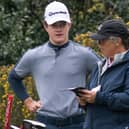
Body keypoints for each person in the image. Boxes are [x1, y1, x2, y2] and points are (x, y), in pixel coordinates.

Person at [8, 1, 100, 129]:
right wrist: (28, 101)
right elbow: (13, 77)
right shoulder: (34, 56)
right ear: (46, 26)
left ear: (69, 24)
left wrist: (92, 96)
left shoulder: (84, 54)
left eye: (62, 24)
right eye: (54, 25)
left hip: (78, 123)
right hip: (45, 123)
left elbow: (106, 73)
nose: (59, 29)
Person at [77, 19, 129, 129]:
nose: (99, 44)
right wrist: (84, 101)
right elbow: (93, 102)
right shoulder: (99, 66)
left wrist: (99, 98)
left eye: (102, 40)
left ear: (117, 41)